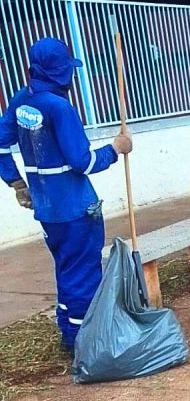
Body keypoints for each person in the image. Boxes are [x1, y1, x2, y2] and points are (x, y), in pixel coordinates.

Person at [0, 38, 133, 355]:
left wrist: (17, 182)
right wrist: (116, 149)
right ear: (62, 73)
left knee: (67, 270)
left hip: (47, 210)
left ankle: (69, 330)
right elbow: (82, 161)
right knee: (84, 272)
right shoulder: (60, 108)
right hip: (76, 209)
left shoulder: (21, 101)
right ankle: (84, 343)